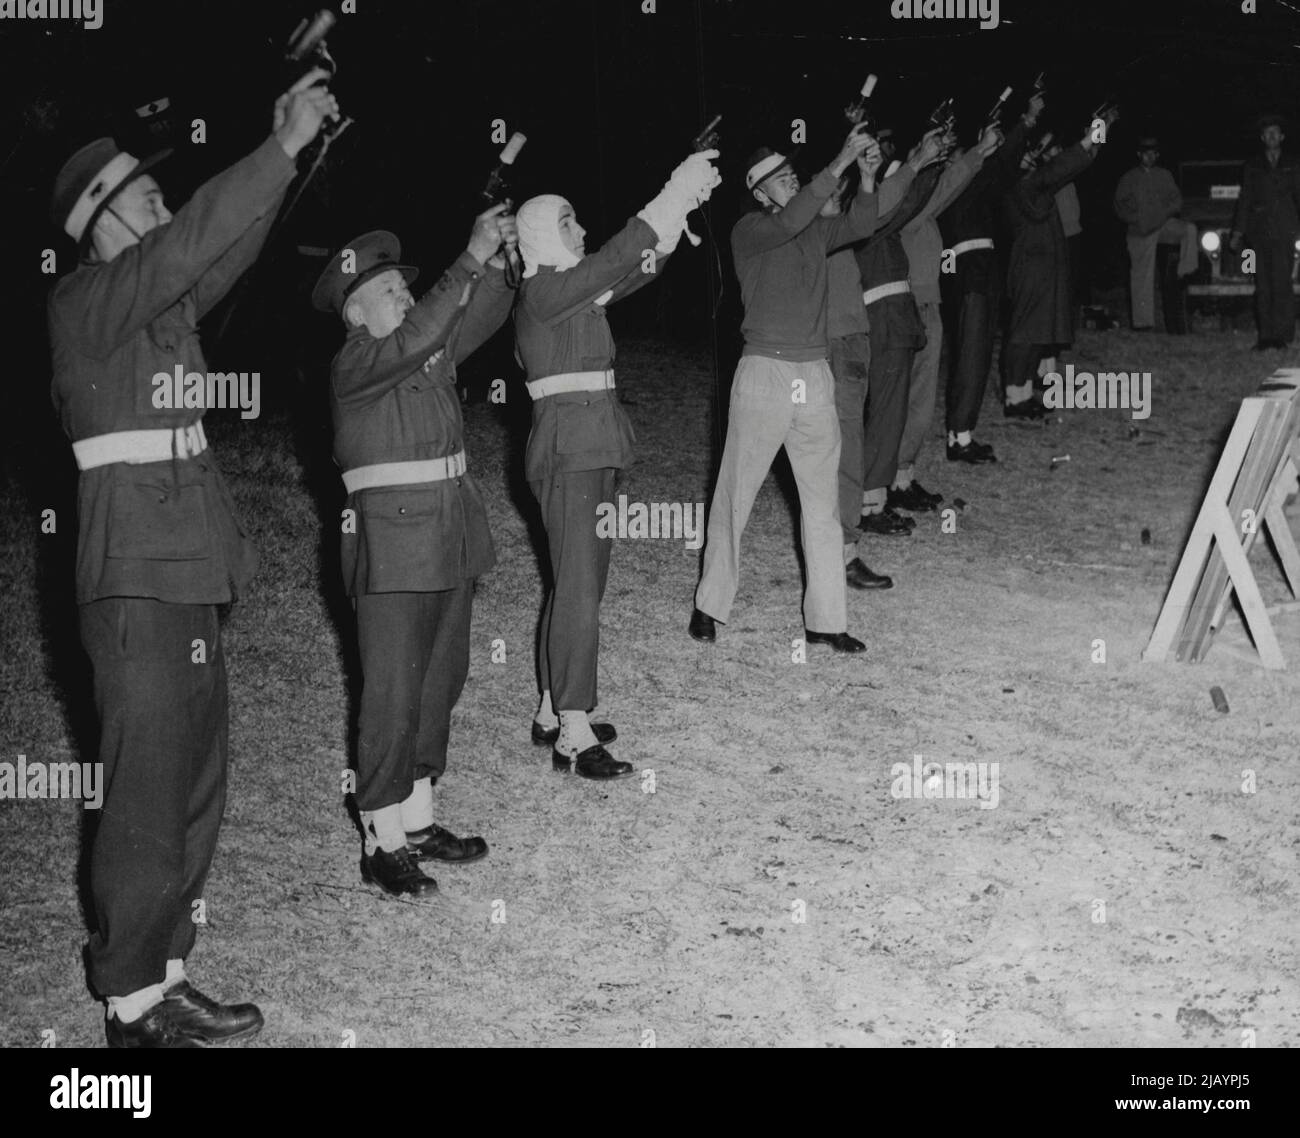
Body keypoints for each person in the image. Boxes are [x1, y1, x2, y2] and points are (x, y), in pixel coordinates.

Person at [47, 71, 336, 1047]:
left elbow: (220, 244)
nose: (162, 205)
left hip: (187, 564)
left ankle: (167, 975)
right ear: (99, 219)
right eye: (145, 196)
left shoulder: (154, 305)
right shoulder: (87, 302)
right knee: (144, 790)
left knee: (196, 780)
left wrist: (294, 155)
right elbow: (190, 240)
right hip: (133, 575)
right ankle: (129, 1002)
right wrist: (277, 148)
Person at [311, 210, 515, 899]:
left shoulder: (423, 352)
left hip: (449, 533)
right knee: (393, 693)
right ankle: (381, 838)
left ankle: (419, 821)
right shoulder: (355, 363)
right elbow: (431, 322)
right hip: (394, 545)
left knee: (440, 681)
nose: (405, 297)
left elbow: (471, 313)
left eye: (405, 288)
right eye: (392, 291)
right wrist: (467, 256)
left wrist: (499, 263)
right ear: (355, 310)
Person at [515, 151, 720, 779]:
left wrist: (677, 219)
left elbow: (629, 271)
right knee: (578, 586)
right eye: (571, 223)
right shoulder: (544, 290)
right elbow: (614, 257)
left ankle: (553, 707)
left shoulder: (569, 292)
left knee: (577, 583)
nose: (582, 231)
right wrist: (672, 190)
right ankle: (575, 733)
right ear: (545, 235)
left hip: (591, 446)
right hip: (571, 452)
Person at [690, 124, 882, 653]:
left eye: (794, 174)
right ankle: (709, 605)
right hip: (764, 374)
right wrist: (840, 159)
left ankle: (827, 620)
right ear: (759, 192)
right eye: (783, 178)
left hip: (813, 375)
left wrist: (866, 178)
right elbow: (799, 213)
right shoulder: (749, 231)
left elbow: (863, 223)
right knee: (736, 493)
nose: (794, 182)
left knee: (821, 502)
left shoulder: (814, 231)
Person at [892, 122, 1002, 514]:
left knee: (920, 404)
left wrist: (978, 152)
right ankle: (886, 482)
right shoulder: (903, 201)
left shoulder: (923, 206)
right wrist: (976, 152)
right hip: (907, 309)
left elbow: (946, 186)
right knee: (901, 403)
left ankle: (902, 478)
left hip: (928, 306)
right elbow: (944, 187)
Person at [938, 92, 1043, 462]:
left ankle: (963, 432)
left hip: (980, 276)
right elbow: (994, 170)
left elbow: (999, 173)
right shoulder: (951, 187)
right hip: (970, 279)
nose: (961, 161)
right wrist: (1023, 124)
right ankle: (959, 437)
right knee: (970, 358)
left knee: (978, 356)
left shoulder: (970, 186)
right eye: (954, 158)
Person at [999, 109, 1116, 418]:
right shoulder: (1020, 185)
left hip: (1045, 267)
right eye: (1030, 152)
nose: (1035, 157)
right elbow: (1059, 169)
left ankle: (1023, 394)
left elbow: (1072, 167)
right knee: (1025, 334)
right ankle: (1013, 398)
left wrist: (1099, 135)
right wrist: (1092, 135)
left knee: (1038, 333)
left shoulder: (1033, 181)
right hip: (1028, 268)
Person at [1230, 114, 1300, 350]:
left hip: (1285, 231)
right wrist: (1238, 232)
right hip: (1258, 233)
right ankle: (1265, 336)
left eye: (1275, 132)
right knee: (1263, 285)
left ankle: (1283, 335)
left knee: (1282, 283)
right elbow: (1245, 199)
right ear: (1262, 138)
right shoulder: (1252, 166)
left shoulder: (1294, 163)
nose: (1271, 136)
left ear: (1282, 136)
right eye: (1267, 133)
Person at [1113, 136, 1196, 333]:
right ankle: (1143, 324)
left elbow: (1177, 200)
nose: (1149, 157)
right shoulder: (1129, 178)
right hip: (1140, 231)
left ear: (1157, 155)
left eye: (1153, 153)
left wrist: (1164, 213)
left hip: (1163, 225)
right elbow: (1119, 205)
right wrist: (1137, 218)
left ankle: (1186, 268)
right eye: (1145, 153)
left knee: (1189, 230)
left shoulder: (1164, 175)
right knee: (1141, 277)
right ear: (1139, 155)